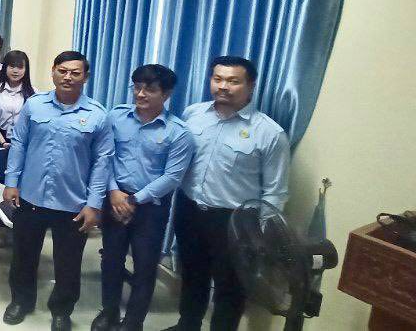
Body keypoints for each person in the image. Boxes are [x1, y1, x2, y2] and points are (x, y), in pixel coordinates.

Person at [169, 56, 290, 331]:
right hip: (189, 209)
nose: (223, 86)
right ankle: (187, 324)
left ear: (251, 86)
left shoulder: (269, 133)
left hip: (235, 220)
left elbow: (275, 192)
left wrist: (261, 236)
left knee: (230, 286)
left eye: (233, 81)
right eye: (218, 79)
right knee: (192, 274)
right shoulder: (193, 114)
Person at [3, 51, 113, 330]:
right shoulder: (34, 105)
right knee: (23, 256)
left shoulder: (98, 115)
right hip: (31, 197)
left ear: (85, 77)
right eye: (62, 71)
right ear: (53, 71)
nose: (68, 77)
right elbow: (19, 144)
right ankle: (21, 301)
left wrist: (94, 204)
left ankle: (62, 310)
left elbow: (102, 163)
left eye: (75, 73)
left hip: (73, 202)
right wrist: (11, 182)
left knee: (68, 263)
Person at [92, 64, 195, 331]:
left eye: (150, 89)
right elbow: (105, 156)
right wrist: (113, 192)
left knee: (145, 266)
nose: (140, 94)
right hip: (114, 199)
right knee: (111, 259)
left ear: (166, 94)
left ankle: (133, 322)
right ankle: (109, 313)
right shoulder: (116, 117)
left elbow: (172, 177)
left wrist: (134, 200)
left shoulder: (178, 132)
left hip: (151, 208)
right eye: (137, 87)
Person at [0, 50, 35, 182]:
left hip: (23, 142)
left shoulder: (34, 93)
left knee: (19, 179)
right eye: (12, 66)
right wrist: (3, 142)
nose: (15, 71)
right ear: (5, 68)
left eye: (20, 67)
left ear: (26, 70)